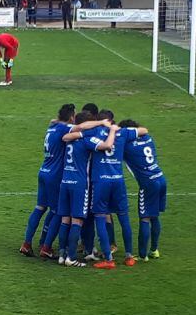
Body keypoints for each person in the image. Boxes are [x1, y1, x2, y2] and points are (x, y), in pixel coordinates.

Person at [21, 104, 111, 259]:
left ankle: (27, 243)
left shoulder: (52, 127)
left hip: (44, 171)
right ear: (70, 118)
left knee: (40, 208)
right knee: (58, 212)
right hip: (56, 176)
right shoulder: (64, 129)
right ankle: (46, 247)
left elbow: (56, 122)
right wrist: (100, 123)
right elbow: (81, 127)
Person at [41, 111, 117, 267]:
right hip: (80, 185)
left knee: (65, 219)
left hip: (65, 182)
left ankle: (62, 254)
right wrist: (113, 131)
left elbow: (64, 136)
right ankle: (72, 257)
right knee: (77, 221)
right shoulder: (88, 140)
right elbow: (107, 145)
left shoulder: (69, 139)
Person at [76, 110, 148, 268]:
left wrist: (100, 125)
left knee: (100, 217)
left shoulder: (94, 131)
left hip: (101, 182)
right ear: (112, 120)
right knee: (124, 218)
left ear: (100, 120)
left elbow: (80, 127)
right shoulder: (122, 132)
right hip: (118, 181)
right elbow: (144, 130)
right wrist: (118, 130)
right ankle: (129, 256)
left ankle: (108, 259)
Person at [119, 119, 166, 262]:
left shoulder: (126, 146)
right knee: (155, 216)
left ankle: (142, 255)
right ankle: (154, 250)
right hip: (161, 178)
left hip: (148, 184)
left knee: (145, 218)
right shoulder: (147, 138)